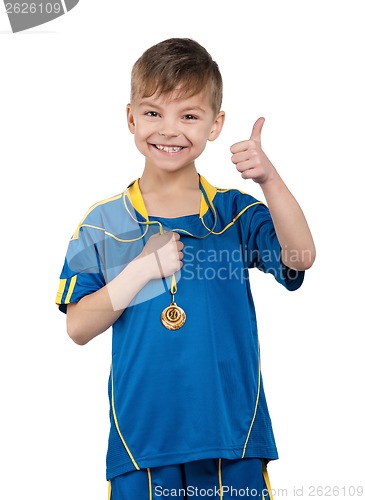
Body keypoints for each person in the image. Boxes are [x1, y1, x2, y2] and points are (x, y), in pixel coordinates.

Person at [56, 38, 315, 499]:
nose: (169, 129)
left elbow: (301, 258)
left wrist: (269, 180)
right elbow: (77, 326)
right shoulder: (105, 223)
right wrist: (139, 271)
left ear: (215, 125)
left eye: (189, 115)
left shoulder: (235, 213)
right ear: (131, 117)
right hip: (142, 442)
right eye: (154, 112)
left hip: (231, 437)